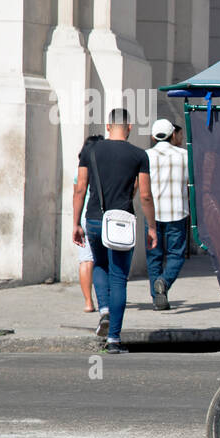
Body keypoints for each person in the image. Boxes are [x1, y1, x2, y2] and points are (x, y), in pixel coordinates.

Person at [72, 109, 156, 353]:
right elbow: (145, 195)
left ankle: (105, 310)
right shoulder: (139, 155)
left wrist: (76, 223)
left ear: (108, 126)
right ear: (129, 128)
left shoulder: (90, 151)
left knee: (99, 264)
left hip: (95, 220)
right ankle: (114, 340)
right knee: (119, 276)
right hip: (122, 222)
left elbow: (80, 189)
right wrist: (151, 227)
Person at [145, 118, 189, 310]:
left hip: (152, 215)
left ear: (153, 137)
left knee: (153, 257)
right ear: (173, 135)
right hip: (177, 213)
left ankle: (157, 298)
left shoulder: (145, 156)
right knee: (176, 255)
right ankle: (164, 282)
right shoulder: (185, 156)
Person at [74, 134, 102, 312]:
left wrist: (75, 222)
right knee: (103, 261)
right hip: (101, 216)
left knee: (86, 260)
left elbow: (77, 194)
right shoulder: (105, 168)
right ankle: (104, 301)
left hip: (84, 216)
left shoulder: (81, 171)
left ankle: (88, 302)